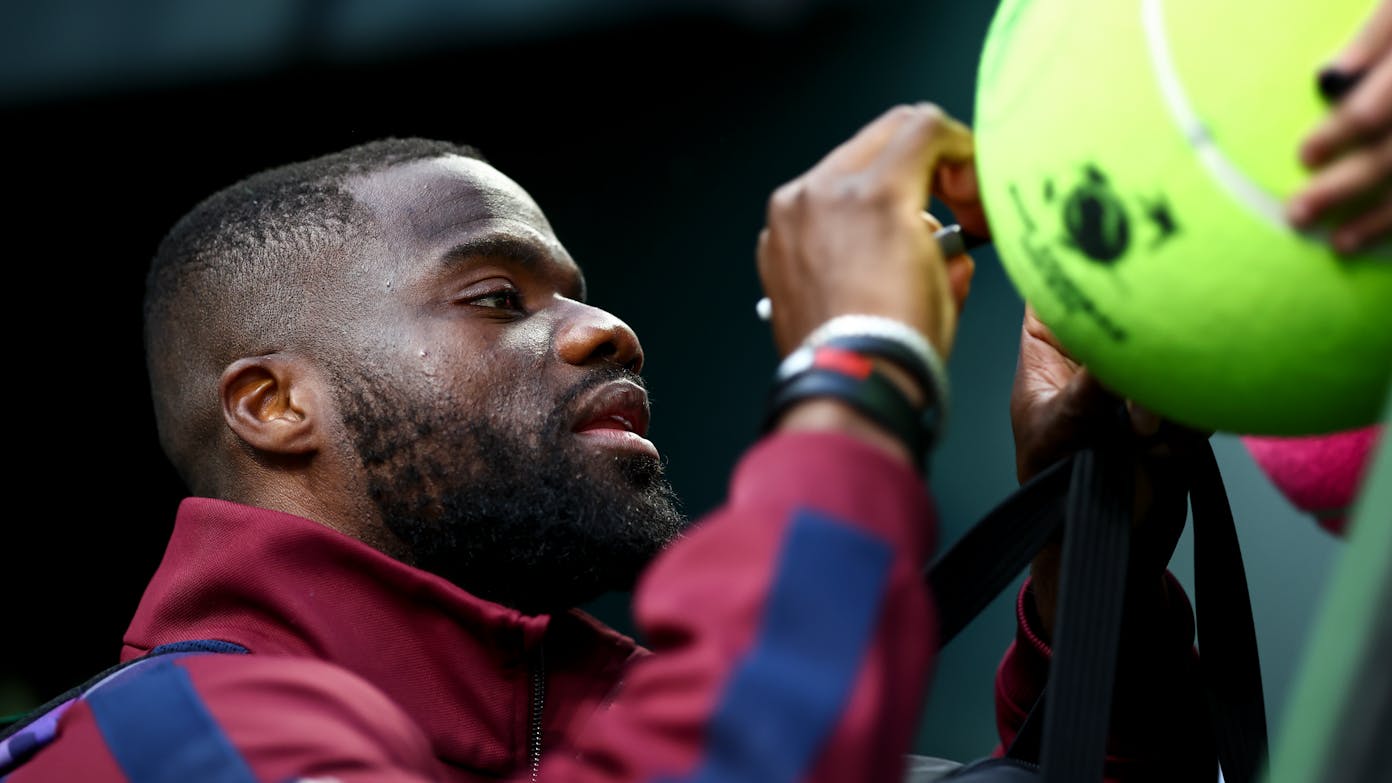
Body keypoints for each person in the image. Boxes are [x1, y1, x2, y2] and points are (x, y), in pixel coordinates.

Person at [2, 104, 1215, 783]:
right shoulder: (162, 748)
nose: (606, 331)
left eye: (579, 295)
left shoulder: (623, 716)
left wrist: (1090, 550)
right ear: (274, 405)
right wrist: (857, 369)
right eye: (497, 297)